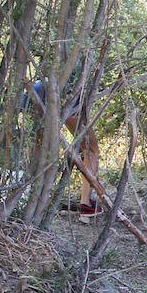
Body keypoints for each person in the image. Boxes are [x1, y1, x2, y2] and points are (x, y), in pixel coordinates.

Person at [25, 79, 102, 218]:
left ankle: (36, 198)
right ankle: (86, 205)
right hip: (64, 92)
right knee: (91, 149)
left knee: (41, 148)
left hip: (34, 92)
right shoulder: (78, 76)